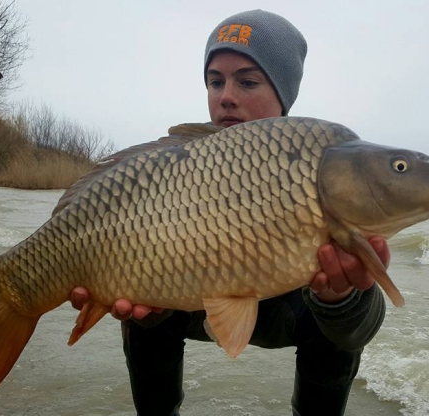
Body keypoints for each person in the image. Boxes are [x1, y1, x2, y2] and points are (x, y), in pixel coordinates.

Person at [71, 9, 388, 415]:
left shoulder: (320, 164)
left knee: (341, 307)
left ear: (283, 95)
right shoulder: (177, 163)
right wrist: (144, 299)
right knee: (141, 299)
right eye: (215, 81)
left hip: (285, 313)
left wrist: (341, 297)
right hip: (193, 301)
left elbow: (366, 321)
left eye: (248, 81)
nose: (226, 96)